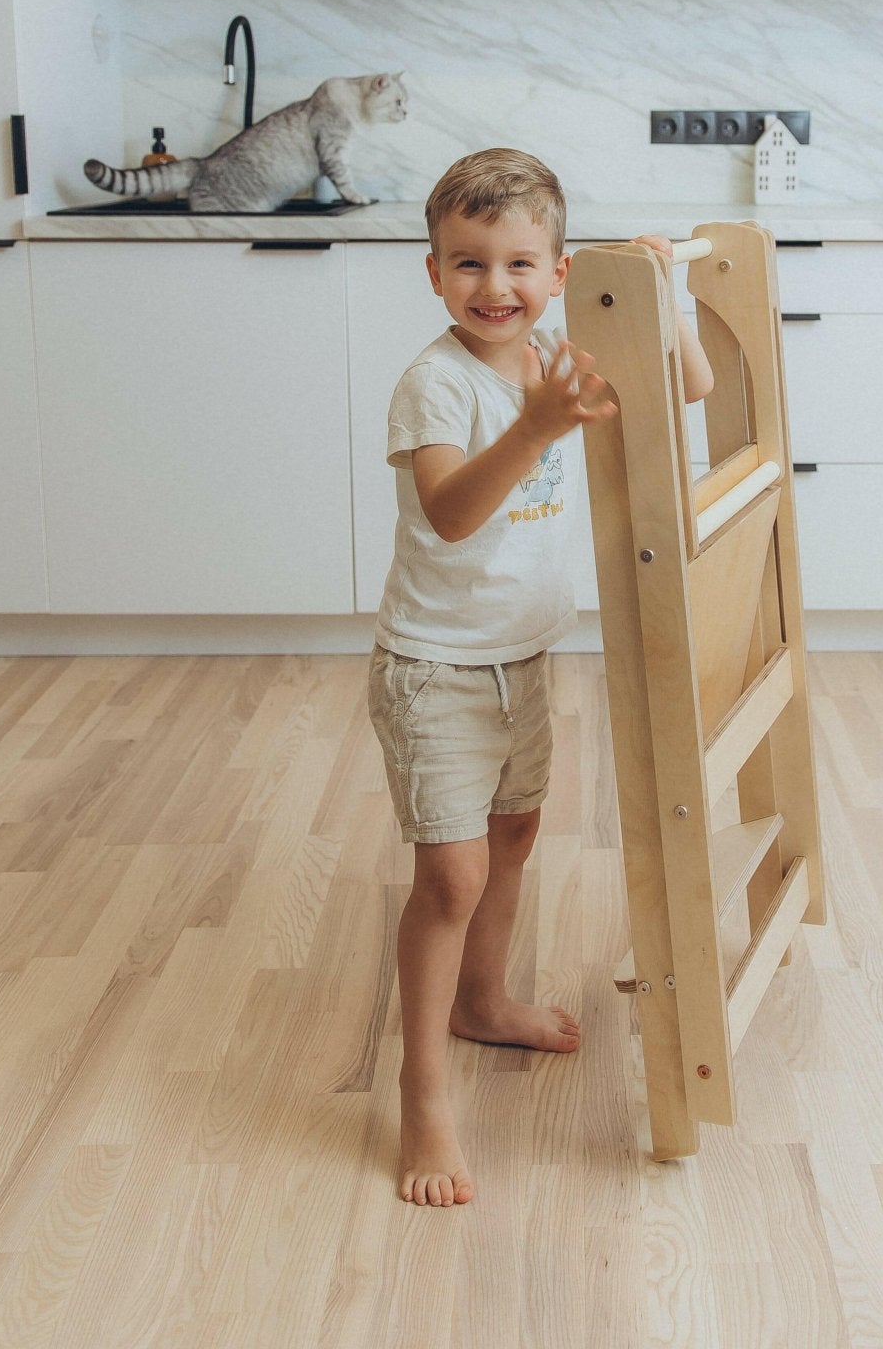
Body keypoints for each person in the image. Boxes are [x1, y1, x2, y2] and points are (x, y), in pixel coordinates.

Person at [367, 147, 715, 1207]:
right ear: (433, 273)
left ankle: (482, 999)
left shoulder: (559, 351)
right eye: (467, 263)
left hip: (522, 656)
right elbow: (450, 511)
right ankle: (422, 1092)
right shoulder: (435, 381)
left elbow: (688, 384)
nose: (493, 287)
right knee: (452, 877)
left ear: (559, 273)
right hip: (434, 667)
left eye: (518, 262)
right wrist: (534, 426)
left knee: (514, 838)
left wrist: (669, 296)